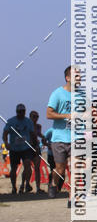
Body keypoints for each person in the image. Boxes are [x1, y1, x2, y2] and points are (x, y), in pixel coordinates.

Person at [46, 66, 73, 202]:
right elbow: (48, 114)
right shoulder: (57, 94)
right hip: (59, 137)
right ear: (68, 78)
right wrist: (66, 115)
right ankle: (54, 183)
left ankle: (72, 197)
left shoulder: (82, 95)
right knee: (60, 169)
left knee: (76, 168)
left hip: (76, 138)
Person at [2, 104, 36, 195]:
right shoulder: (11, 121)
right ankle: (14, 186)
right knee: (14, 168)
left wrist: (34, 144)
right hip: (14, 149)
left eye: (22, 111)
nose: (21, 113)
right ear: (16, 112)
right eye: (19, 111)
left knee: (27, 165)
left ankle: (26, 184)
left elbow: (32, 133)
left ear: (25, 112)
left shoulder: (28, 122)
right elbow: (5, 133)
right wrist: (6, 143)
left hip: (26, 148)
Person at [26, 110, 45, 193]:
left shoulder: (38, 126)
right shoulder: (26, 126)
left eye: (37, 117)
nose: (35, 118)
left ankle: (38, 187)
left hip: (36, 148)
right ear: (30, 117)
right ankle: (25, 184)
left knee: (37, 168)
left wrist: (44, 137)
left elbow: (39, 134)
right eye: (34, 116)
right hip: (28, 148)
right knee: (27, 168)